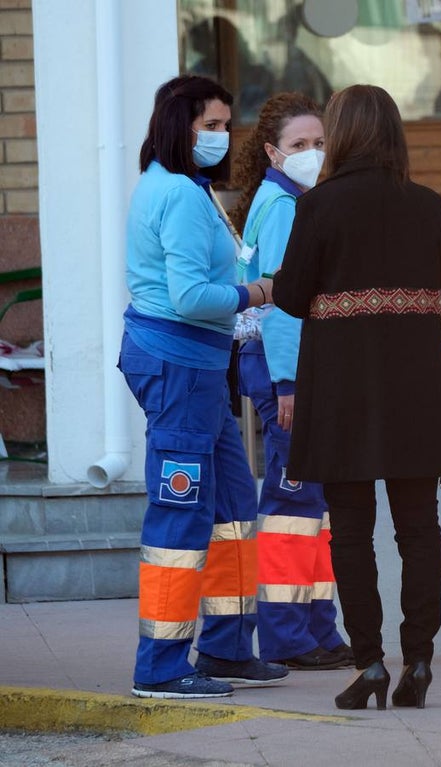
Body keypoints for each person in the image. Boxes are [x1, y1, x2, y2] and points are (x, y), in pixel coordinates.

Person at [274, 84, 441, 710]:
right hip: (415, 381)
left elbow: (289, 295)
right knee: (420, 529)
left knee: (352, 532)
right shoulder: (426, 203)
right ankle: (419, 658)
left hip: (342, 386)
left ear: (341, 135)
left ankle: (368, 663)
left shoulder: (319, 206)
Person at [119, 74, 287, 699]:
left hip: (194, 367)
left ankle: (225, 649)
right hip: (180, 368)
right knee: (182, 515)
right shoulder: (183, 196)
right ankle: (161, 666)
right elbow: (190, 298)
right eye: (210, 126)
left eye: (225, 125)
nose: (222, 136)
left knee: (233, 510)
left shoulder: (179, 185)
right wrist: (258, 293)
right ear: (179, 126)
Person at [230, 93, 353, 671]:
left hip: (306, 368)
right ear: (274, 152)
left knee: (314, 510)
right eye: (300, 145)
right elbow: (283, 303)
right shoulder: (282, 207)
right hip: (288, 370)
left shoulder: (299, 198)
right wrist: (288, 385)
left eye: (320, 142)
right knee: (290, 504)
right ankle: (286, 635)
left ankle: (317, 628)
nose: (313, 153)